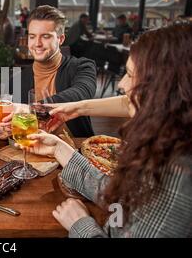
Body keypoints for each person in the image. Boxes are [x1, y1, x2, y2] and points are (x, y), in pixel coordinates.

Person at [20, 23, 192, 237]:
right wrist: (59, 149)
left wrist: (82, 225)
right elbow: (125, 196)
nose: (121, 84)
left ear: (163, 87)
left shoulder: (179, 174)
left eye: (130, 74)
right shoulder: (169, 142)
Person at [0, 5, 96, 139]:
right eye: (32, 36)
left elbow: (81, 93)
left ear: (60, 39)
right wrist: (1, 132)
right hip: (30, 153)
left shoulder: (82, 67)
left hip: (75, 153)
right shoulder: (16, 80)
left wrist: (34, 109)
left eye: (45, 36)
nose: (37, 43)